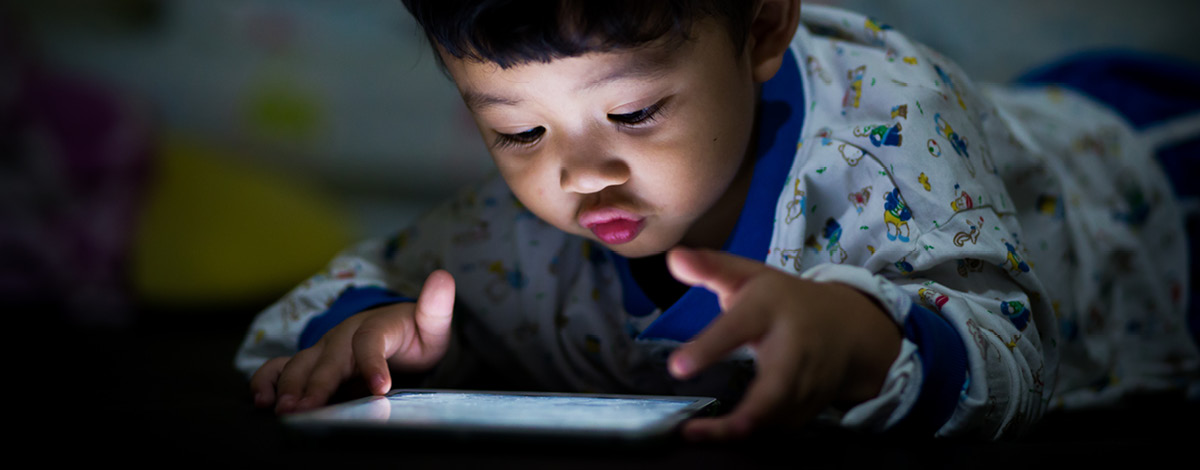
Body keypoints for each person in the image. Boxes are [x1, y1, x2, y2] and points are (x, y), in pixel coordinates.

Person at [234, 0, 1200, 439]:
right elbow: (309, 313)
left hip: (1141, 181)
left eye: (636, 113)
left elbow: (1013, 358)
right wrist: (366, 336)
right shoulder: (515, 232)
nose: (579, 171)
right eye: (518, 130)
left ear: (765, 30)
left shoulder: (889, 125)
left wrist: (858, 337)